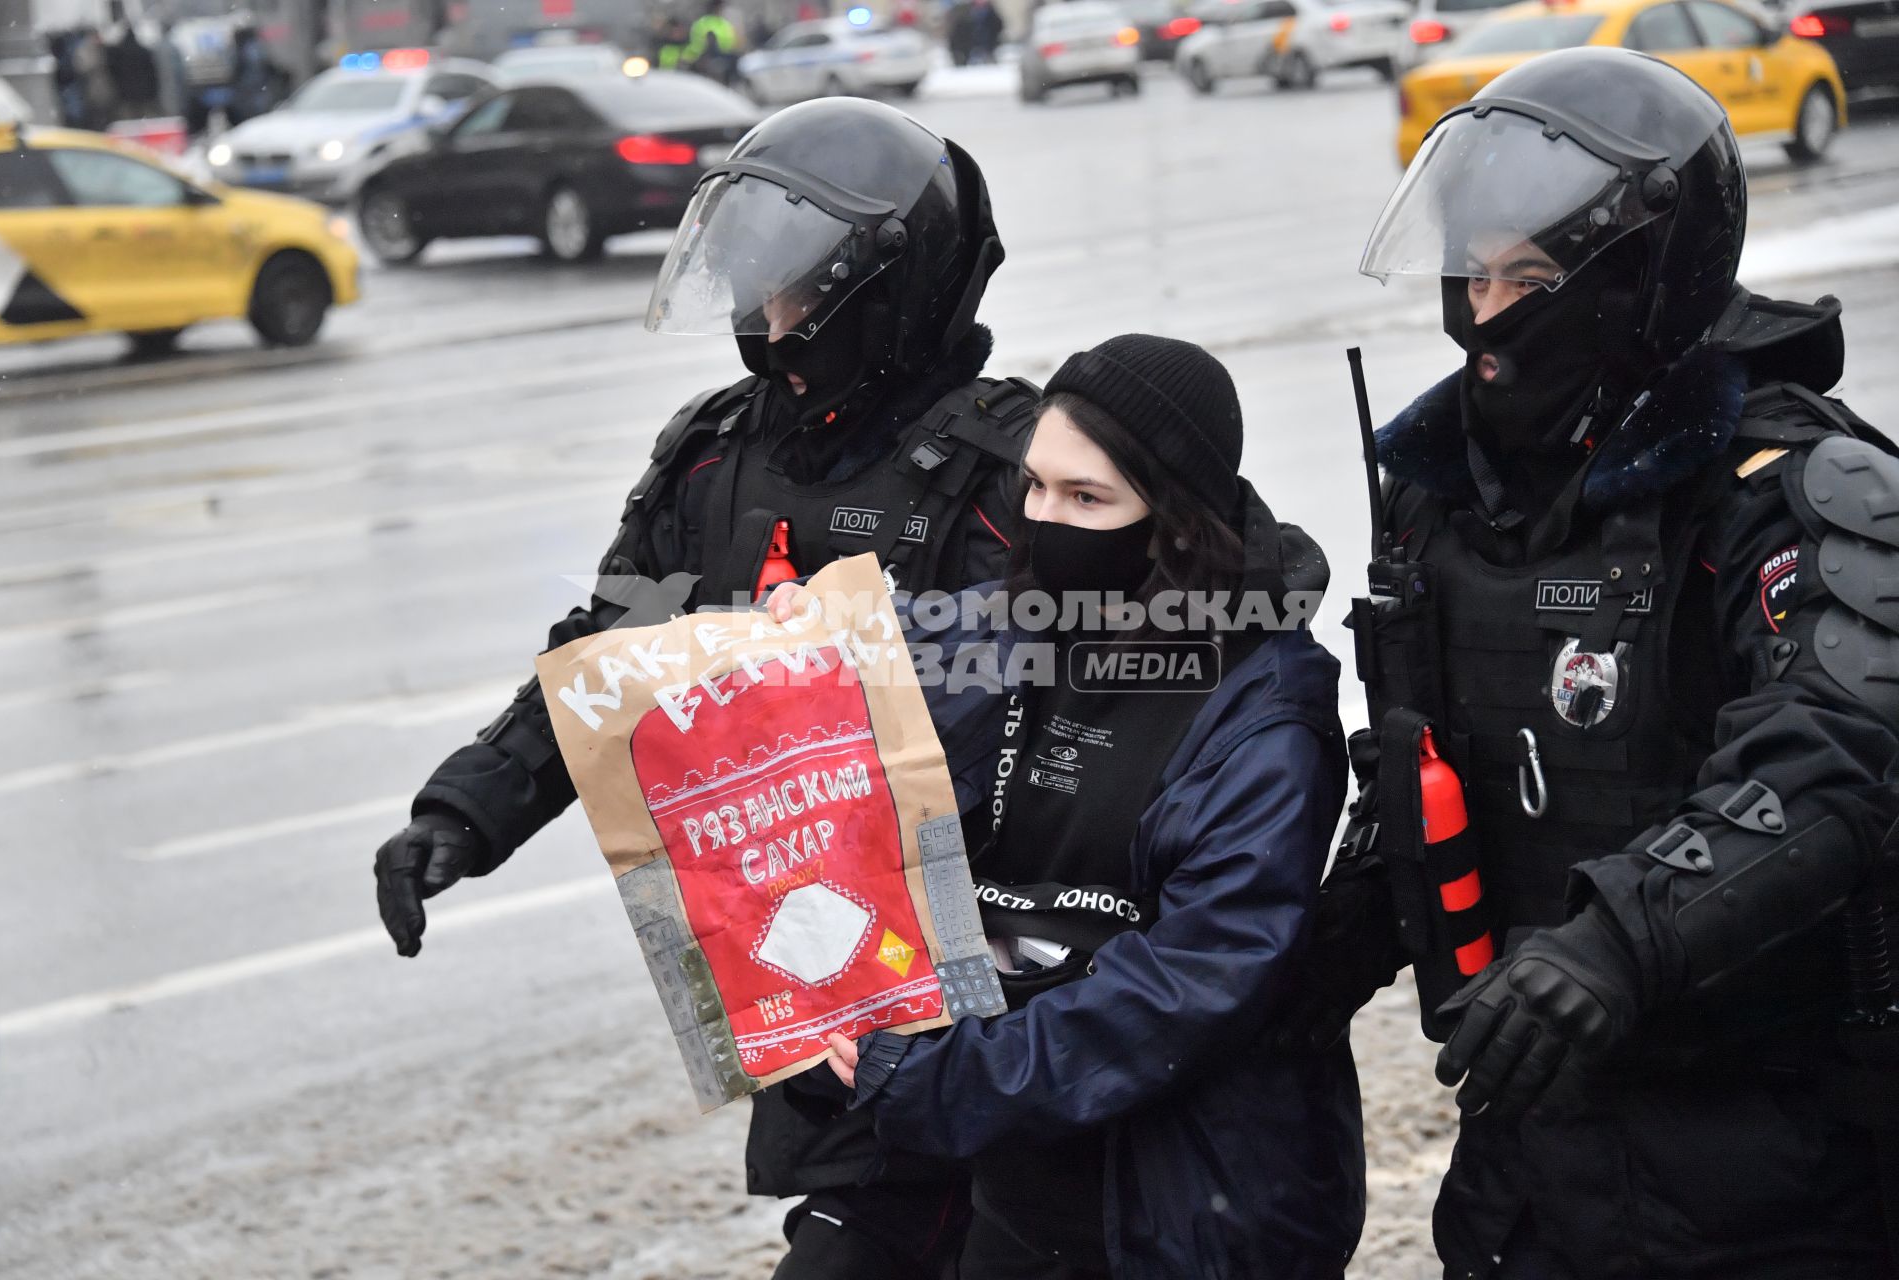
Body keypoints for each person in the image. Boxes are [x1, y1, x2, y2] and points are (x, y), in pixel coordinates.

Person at [372, 98, 1039, 1279]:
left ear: (885, 293)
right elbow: (610, 652)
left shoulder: (1004, 467)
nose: (765, 322)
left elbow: (1112, 682)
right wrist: (464, 812)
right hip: (804, 974)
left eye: (790, 293)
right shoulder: (716, 456)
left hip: (985, 990)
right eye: (755, 289)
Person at [1310, 46, 1899, 1277]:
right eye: (1474, 274)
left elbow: (1833, 755)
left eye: (1525, 275)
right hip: (1530, 1141)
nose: (1485, 311)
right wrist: (1301, 962)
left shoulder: (1790, 487)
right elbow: (1428, 774)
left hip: (1769, 1151)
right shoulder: (1444, 501)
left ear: (1642, 277)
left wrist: (1613, 938)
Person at [781, 334, 1367, 1279]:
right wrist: (802, 653)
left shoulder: (1267, 710)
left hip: (1187, 1210)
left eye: (1087, 499)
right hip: (1018, 1189)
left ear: (1175, 519)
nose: (1045, 521)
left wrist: (955, 1077)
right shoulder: (1018, 622)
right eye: (1035, 488)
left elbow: (1191, 985)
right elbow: (869, 724)